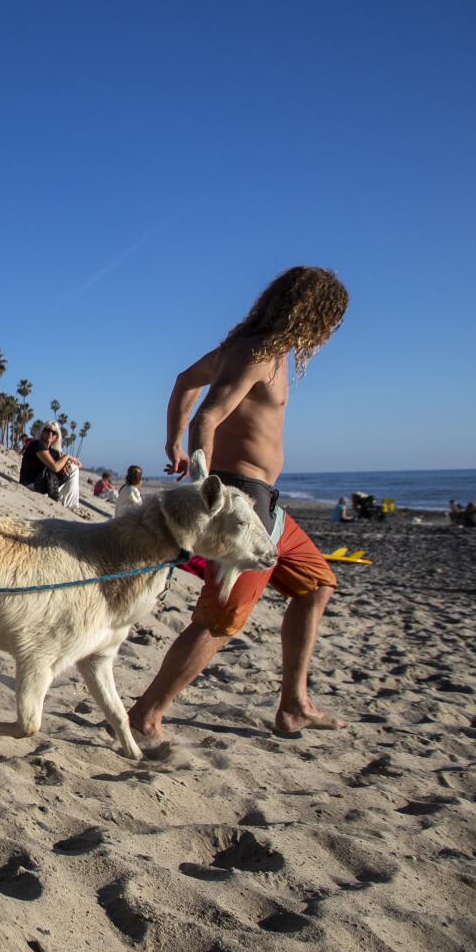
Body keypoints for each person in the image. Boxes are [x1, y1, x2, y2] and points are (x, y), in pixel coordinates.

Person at [128, 265, 348, 748]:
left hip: (268, 505)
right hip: (241, 503)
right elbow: (207, 415)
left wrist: (171, 441)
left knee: (315, 585)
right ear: (313, 313)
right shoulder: (261, 354)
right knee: (220, 619)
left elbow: (186, 379)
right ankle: (145, 715)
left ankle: (293, 705)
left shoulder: (252, 350)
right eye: (329, 320)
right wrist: (200, 484)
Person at [16, 421, 78, 497]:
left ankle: (66, 502)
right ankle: (71, 504)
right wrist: (67, 456)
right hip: (29, 485)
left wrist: (67, 464)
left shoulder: (52, 452)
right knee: (74, 469)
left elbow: (76, 464)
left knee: (71, 467)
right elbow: (55, 467)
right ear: (42, 431)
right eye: (47, 430)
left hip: (39, 485)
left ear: (56, 437)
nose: (50, 434)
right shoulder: (38, 444)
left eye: (54, 433)